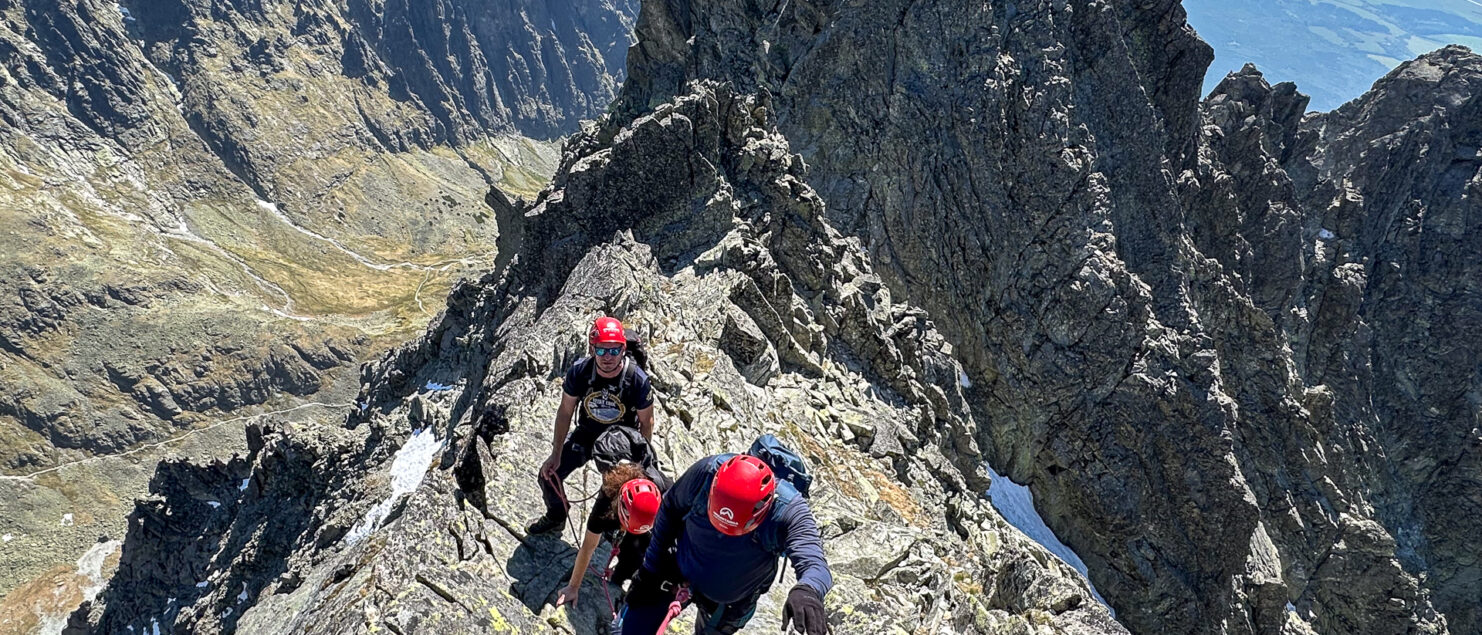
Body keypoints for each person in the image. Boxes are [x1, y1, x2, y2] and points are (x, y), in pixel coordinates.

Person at [620, 454, 833, 635]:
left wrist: (808, 590)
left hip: (727, 605)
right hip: (677, 573)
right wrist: (650, 570)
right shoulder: (706, 473)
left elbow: (815, 564)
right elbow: (669, 508)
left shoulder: (789, 511)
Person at [528, 316, 655, 535]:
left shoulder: (636, 379)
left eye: (614, 350)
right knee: (548, 476)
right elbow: (565, 412)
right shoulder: (580, 372)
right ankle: (557, 515)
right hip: (587, 433)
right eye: (601, 350)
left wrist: (639, 463)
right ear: (592, 348)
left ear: (623, 350)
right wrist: (556, 454)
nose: (608, 357)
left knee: (617, 489)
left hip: (620, 442)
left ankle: (613, 529)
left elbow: (647, 422)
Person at [554, 426, 673, 611]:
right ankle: (621, 570)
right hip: (619, 495)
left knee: (640, 549)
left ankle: (622, 577)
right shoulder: (605, 504)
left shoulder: (665, 491)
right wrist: (573, 587)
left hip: (645, 502)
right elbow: (588, 547)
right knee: (627, 543)